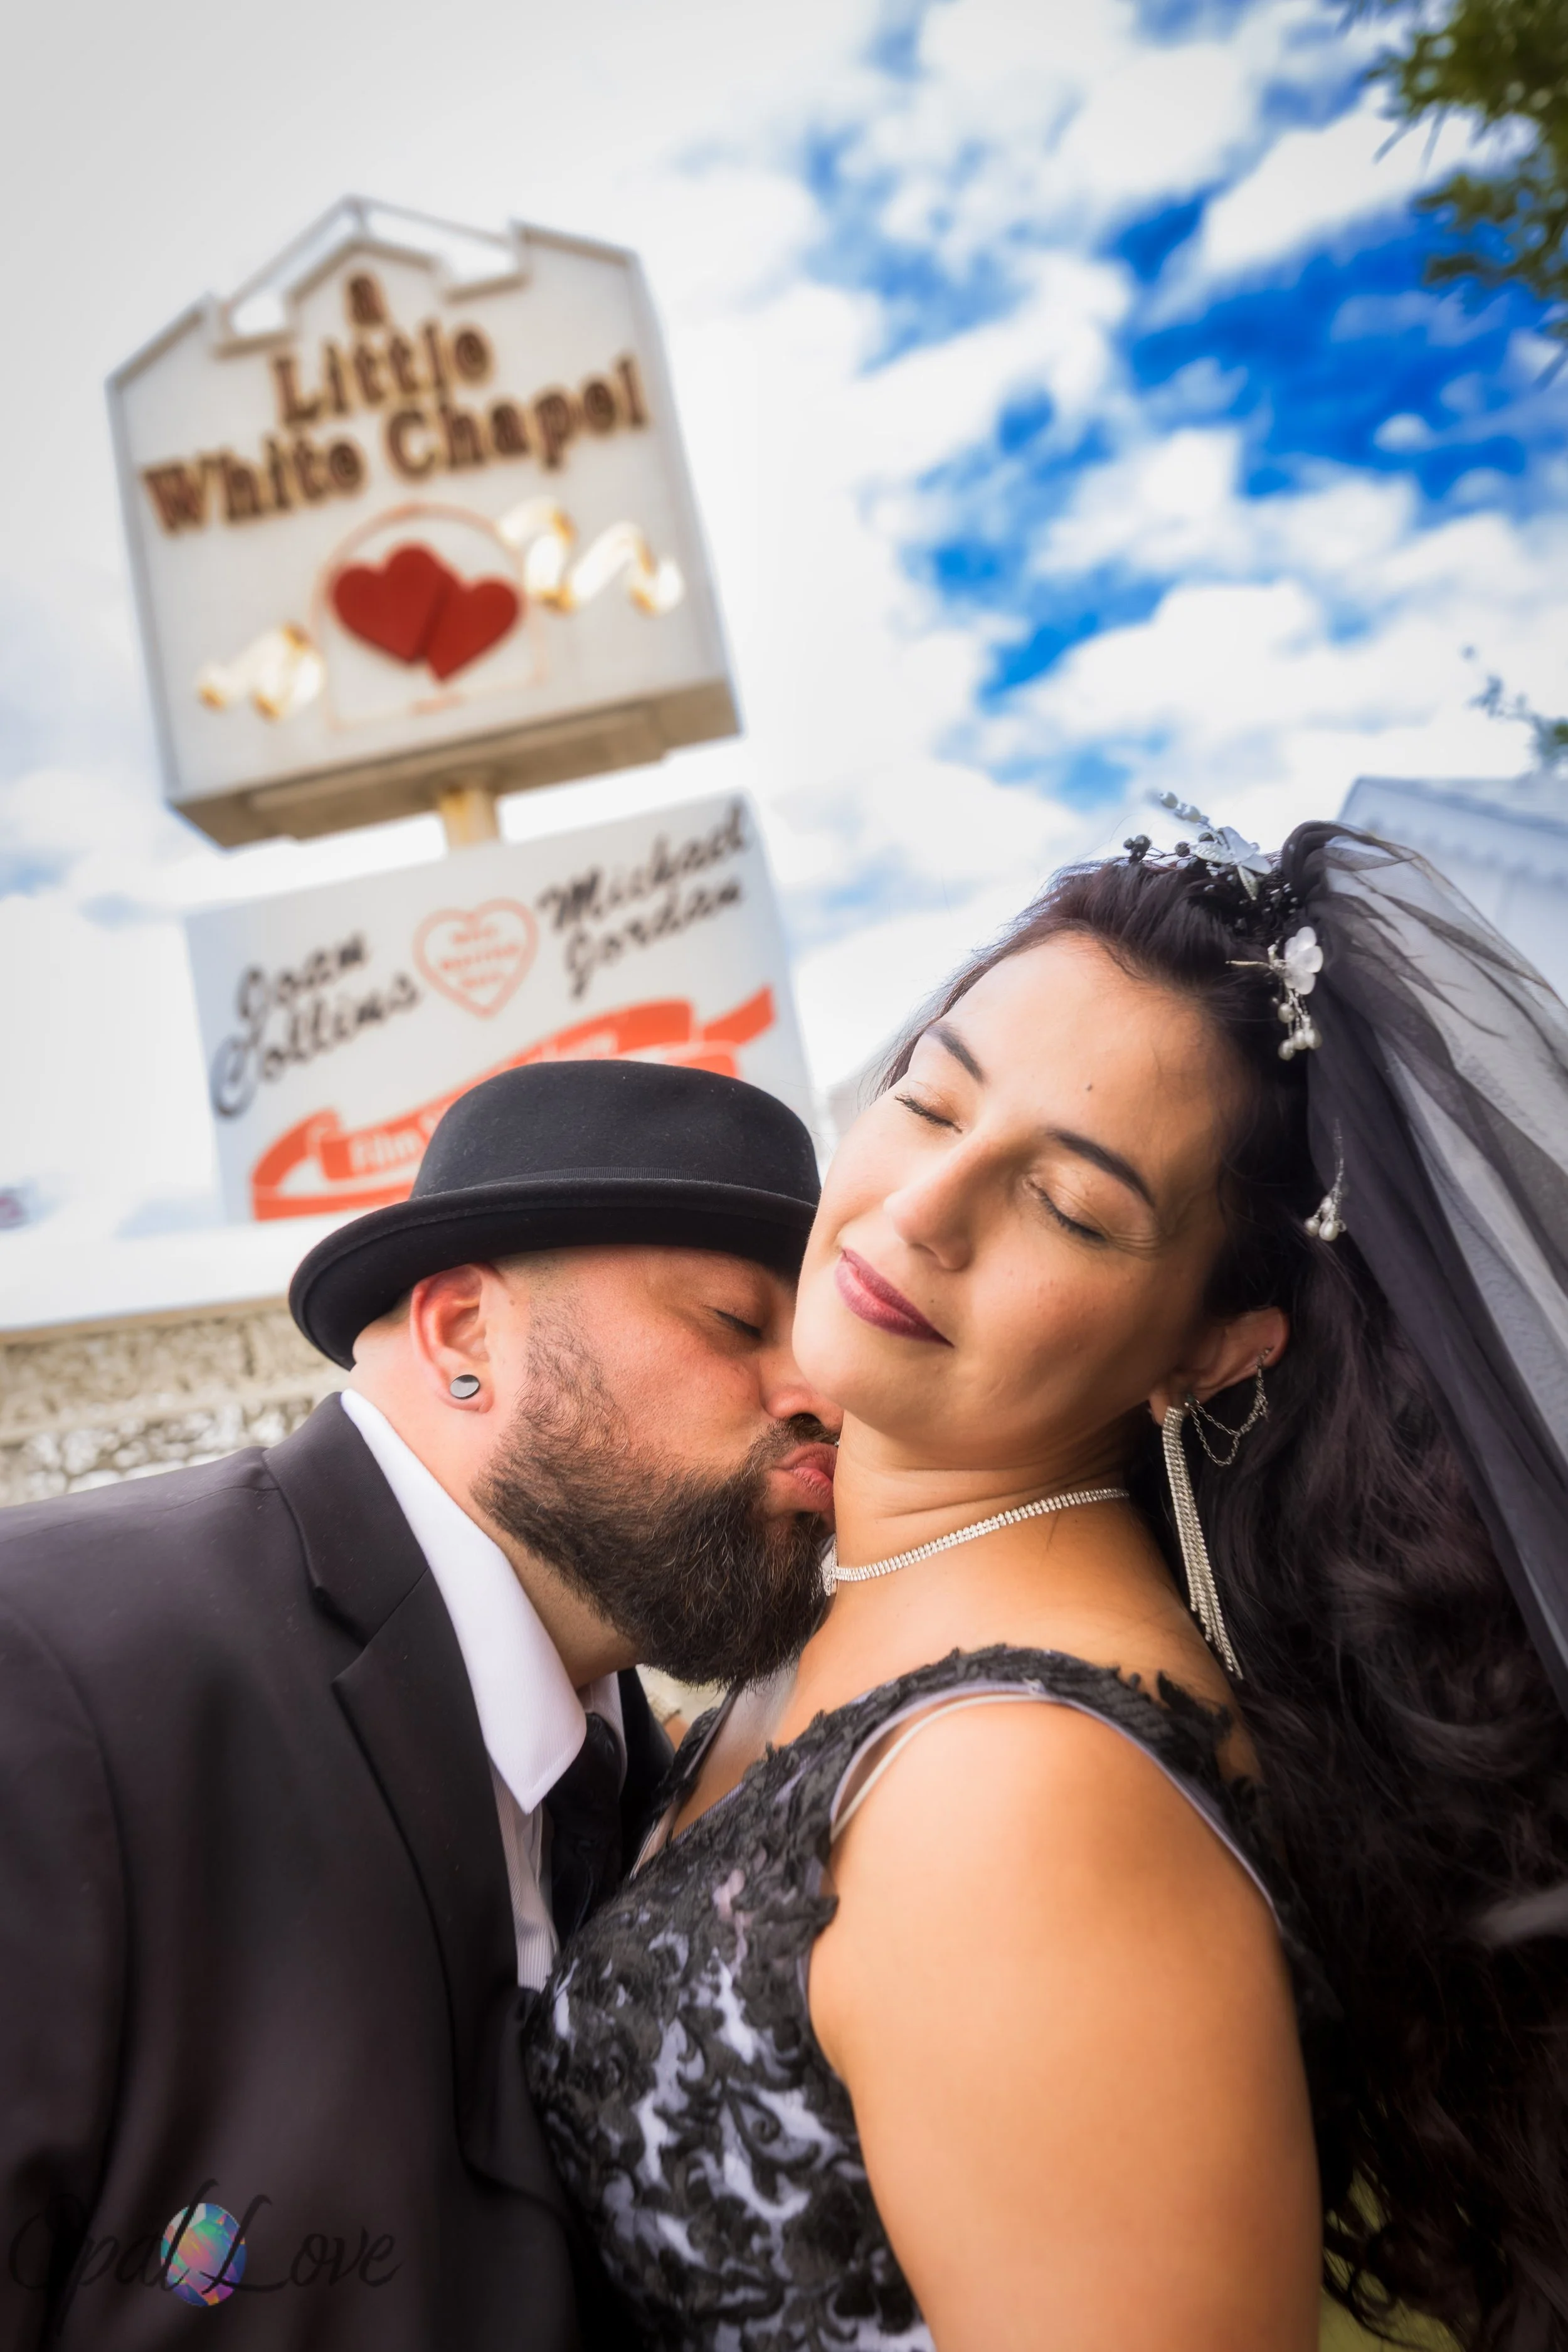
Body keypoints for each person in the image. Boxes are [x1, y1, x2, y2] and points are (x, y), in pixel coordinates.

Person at [525, 822, 1568, 2352]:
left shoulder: (1021, 1798)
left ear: (1212, 1345)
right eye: (930, 1098)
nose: (922, 1207)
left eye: (1070, 1208)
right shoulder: (842, 1592)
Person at [0, 1056, 840, 2351]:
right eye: (739, 1323)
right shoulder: (54, 1658)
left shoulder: (652, 1773)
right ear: (462, 1337)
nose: (819, 1398)